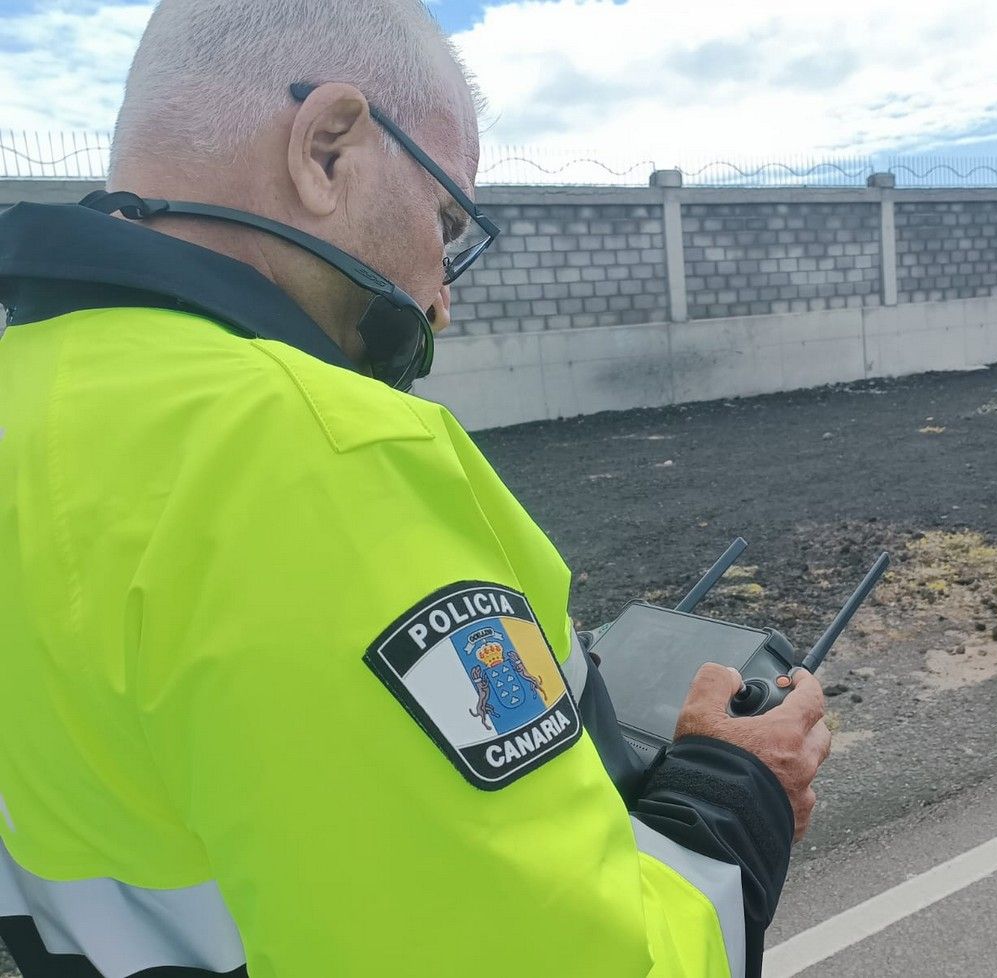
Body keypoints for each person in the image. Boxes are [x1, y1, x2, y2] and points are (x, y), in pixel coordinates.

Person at [0, 2, 832, 976]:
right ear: (328, 148)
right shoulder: (310, 455)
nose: (442, 296)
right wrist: (727, 798)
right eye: (445, 220)